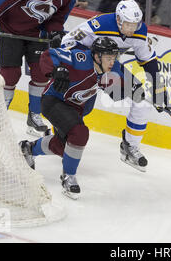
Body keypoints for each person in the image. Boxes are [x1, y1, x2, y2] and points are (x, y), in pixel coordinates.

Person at [60, 0, 167, 174]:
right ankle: (60, 136)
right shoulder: (99, 24)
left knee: (141, 100)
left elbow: (147, 59)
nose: (132, 28)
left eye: (135, 24)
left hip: (110, 68)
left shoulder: (140, 31)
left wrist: (158, 87)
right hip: (85, 67)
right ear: (118, 19)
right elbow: (67, 41)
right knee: (81, 109)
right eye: (128, 24)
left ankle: (130, 146)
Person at [19, 37, 132, 199]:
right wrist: (56, 69)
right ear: (96, 57)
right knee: (80, 133)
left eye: (114, 58)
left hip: (73, 109)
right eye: (108, 58)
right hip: (53, 101)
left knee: (63, 146)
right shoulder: (81, 58)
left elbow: (125, 91)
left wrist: (144, 96)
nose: (112, 62)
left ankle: (28, 148)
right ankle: (68, 177)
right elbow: (48, 55)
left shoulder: (111, 71)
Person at [0, 0, 76, 137]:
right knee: (10, 75)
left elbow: (57, 18)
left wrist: (54, 32)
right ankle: (0, 116)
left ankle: (34, 116)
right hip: (11, 30)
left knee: (41, 74)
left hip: (36, 34)